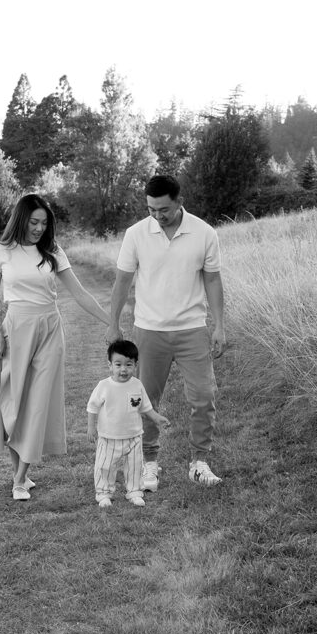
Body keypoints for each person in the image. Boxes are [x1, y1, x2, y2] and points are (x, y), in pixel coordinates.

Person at [0, 193, 109, 500]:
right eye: (33, 222)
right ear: (21, 219)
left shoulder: (53, 250)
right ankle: (18, 470)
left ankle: (20, 478)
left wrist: (109, 321)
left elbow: (80, 293)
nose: (39, 229)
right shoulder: (0, 251)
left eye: (44, 223)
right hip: (15, 328)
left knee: (39, 401)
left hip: (49, 329)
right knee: (12, 401)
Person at [106, 173, 226, 492]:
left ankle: (199, 463)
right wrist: (113, 323)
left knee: (204, 396)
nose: (157, 216)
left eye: (164, 210)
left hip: (192, 330)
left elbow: (213, 280)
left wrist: (220, 325)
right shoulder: (135, 235)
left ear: (179, 202)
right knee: (144, 400)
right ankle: (149, 464)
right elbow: (122, 281)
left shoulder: (204, 233)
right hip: (149, 331)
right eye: (151, 210)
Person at [86, 339, 170, 509]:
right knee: (105, 467)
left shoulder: (137, 385)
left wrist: (157, 418)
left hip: (134, 436)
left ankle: (134, 492)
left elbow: (146, 407)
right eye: (118, 364)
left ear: (135, 365)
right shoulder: (104, 386)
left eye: (128, 364)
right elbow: (92, 407)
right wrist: (91, 427)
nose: (123, 369)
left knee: (134, 467)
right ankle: (103, 493)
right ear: (110, 365)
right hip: (108, 437)